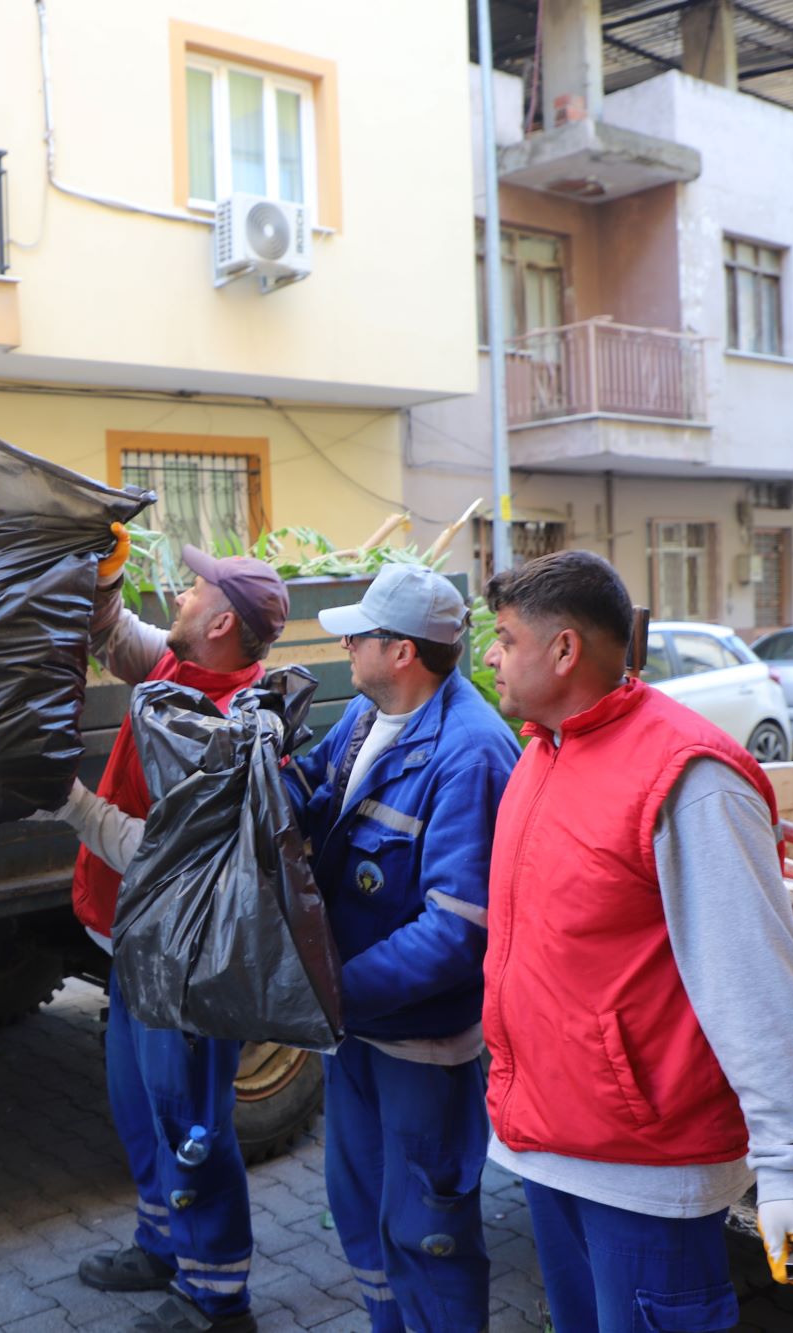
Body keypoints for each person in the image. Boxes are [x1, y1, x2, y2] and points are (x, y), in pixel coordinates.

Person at [479, 551, 793, 1333]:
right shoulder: (541, 753)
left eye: (505, 638)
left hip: (644, 1169)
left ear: (565, 649)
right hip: (550, 1144)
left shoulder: (687, 778)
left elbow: (757, 980)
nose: (490, 655)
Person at [45, 524, 290, 1333]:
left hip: (183, 965)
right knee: (138, 1102)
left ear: (222, 622)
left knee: (192, 1124)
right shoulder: (185, 663)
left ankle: (217, 1296)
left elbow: (159, 854)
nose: (181, 594)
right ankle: (162, 1242)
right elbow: (115, 638)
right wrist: (105, 575)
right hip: (133, 946)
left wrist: (69, 801)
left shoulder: (229, 727)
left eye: (196, 589)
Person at [280, 563, 517, 1332]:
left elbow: (455, 933)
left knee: (429, 1232)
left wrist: (331, 992)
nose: (345, 641)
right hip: (356, 1030)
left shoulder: (471, 753)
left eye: (361, 632)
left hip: (419, 1043)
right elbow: (314, 795)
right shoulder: (363, 714)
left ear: (403, 651)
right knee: (364, 1211)